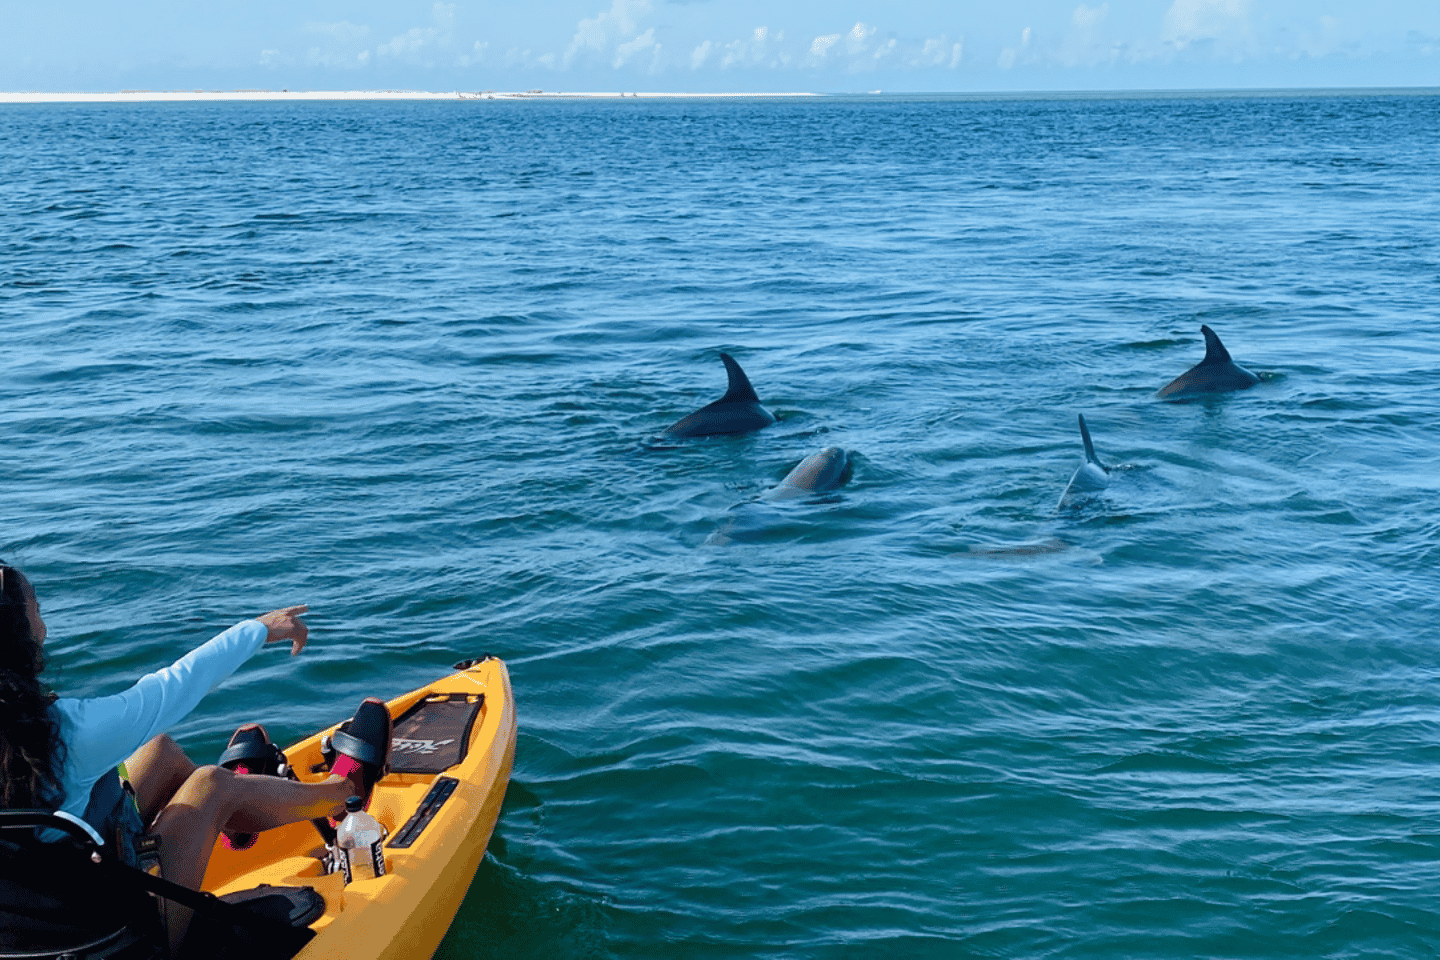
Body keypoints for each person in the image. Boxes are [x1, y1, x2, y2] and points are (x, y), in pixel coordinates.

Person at [0, 561, 391, 954]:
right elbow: (170, 689)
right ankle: (345, 793)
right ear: (19, 635)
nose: (43, 624)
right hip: (114, 940)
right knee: (213, 785)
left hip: (43, 925)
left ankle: (241, 819)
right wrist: (258, 630)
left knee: (160, 752)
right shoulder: (64, 732)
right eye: (36, 609)